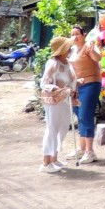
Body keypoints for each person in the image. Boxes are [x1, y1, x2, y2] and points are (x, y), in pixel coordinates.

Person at [39, 36, 76, 174]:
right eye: (67, 48)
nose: (70, 50)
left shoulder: (67, 63)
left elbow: (70, 80)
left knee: (63, 127)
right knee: (52, 129)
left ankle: (54, 158)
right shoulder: (53, 64)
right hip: (54, 101)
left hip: (65, 100)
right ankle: (45, 162)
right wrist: (57, 89)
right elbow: (44, 83)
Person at [68, 24, 102, 164]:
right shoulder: (72, 49)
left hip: (90, 84)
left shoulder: (89, 46)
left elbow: (97, 58)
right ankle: (82, 148)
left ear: (84, 35)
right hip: (77, 86)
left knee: (85, 115)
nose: (75, 37)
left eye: (77, 34)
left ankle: (90, 151)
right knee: (79, 115)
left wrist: (92, 49)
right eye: (72, 34)